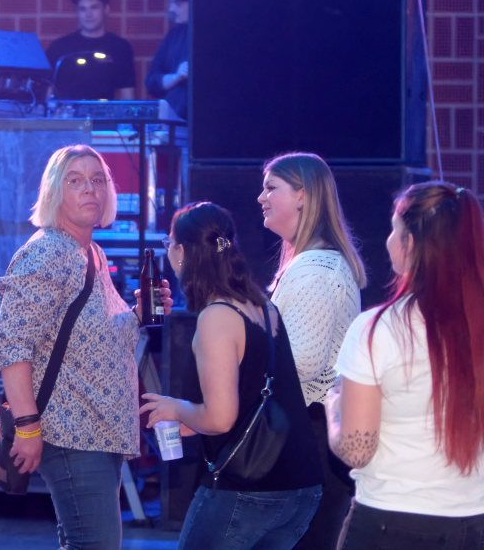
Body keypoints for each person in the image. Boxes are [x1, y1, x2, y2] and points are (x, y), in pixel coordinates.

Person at [140, 202, 323, 549]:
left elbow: (221, 418)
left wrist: (176, 408)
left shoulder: (217, 317)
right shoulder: (264, 307)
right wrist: (193, 420)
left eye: (169, 244)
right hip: (300, 486)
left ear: (182, 252)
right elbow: (251, 393)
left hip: (249, 489)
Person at [0, 144, 142, 549]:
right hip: (71, 435)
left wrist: (140, 313)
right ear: (54, 192)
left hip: (98, 433)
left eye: (98, 180)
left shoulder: (90, 251)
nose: (90, 189)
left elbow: (100, 336)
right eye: (75, 181)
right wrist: (28, 426)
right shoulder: (47, 252)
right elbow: (12, 346)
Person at [329, 181, 484, 548]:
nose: (388, 241)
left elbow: (356, 450)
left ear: (410, 243)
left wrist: (333, 405)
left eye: (393, 229)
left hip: (392, 521)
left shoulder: (378, 329)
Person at [259, 151, 365, 548]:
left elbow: (302, 361)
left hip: (310, 438)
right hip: (310, 435)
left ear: (302, 195)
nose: (261, 197)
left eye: (271, 187)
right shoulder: (308, 263)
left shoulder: (316, 269)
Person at [46, 0, 137, 100]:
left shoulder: (120, 47)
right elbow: (48, 92)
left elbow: (127, 94)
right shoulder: (60, 47)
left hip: (104, 111)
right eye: (82, 9)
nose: (88, 14)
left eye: (94, 8)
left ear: (106, 9)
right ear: (77, 13)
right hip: (67, 111)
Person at [144, 0, 203, 119]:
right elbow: (151, 82)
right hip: (172, 121)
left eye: (177, 3)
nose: (172, 9)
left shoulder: (214, 34)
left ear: (194, 2)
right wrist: (176, 77)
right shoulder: (174, 35)